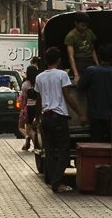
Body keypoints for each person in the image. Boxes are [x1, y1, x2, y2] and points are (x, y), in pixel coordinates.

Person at [37, 46, 83, 195]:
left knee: (49, 151)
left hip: (45, 118)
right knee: (64, 151)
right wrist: (80, 113)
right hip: (58, 117)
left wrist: (38, 119)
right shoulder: (62, 75)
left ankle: (54, 180)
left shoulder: (39, 77)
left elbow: (38, 100)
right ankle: (57, 183)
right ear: (58, 60)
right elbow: (67, 96)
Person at [78, 42, 112, 142]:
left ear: (98, 56)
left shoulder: (90, 71)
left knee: (96, 143)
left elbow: (80, 87)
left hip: (95, 115)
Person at [64, 15, 100, 80]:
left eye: (86, 25)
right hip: (79, 62)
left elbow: (93, 50)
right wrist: (76, 74)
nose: (85, 28)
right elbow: (71, 57)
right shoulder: (70, 36)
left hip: (90, 60)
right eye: (82, 25)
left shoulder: (89, 32)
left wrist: (97, 65)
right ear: (76, 23)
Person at [19, 64, 41, 151]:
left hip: (30, 107)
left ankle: (37, 145)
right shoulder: (39, 82)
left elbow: (24, 99)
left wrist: (22, 110)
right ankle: (39, 144)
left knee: (29, 129)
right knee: (38, 127)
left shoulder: (25, 84)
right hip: (39, 106)